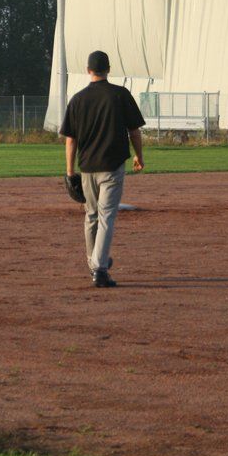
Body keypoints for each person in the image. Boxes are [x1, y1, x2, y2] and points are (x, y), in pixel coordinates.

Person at [61, 51, 146, 288]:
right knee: (106, 216)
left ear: (88, 70)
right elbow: (134, 131)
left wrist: (69, 171)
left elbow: (70, 140)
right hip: (112, 167)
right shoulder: (120, 95)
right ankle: (99, 269)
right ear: (108, 69)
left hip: (87, 167)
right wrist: (139, 156)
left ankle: (94, 263)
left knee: (91, 216)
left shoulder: (78, 99)